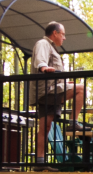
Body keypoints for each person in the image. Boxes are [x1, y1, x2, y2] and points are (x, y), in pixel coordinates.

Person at [31, 21, 86, 166]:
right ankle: (73, 122)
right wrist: (43, 68)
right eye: (63, 34)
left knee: (45, 127)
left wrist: (66, 83)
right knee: (81, 88)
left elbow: (54, 73)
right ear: (54, 33)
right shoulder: (43, 43)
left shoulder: (52, 48)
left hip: (50, 90)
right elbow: (41, 61)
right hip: (47, 91)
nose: (64, 38)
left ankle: (40, 162)